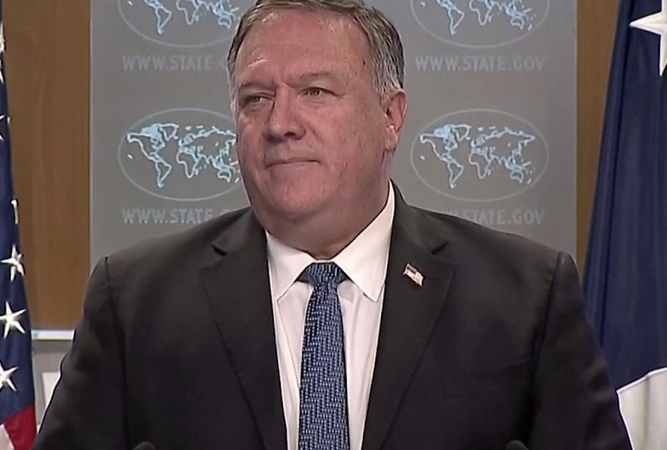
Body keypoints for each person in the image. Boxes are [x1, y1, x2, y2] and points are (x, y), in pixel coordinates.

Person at [34, 1, 632, 449]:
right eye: (255, 99)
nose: (280, 124)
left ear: (391, 117)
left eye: (315, 92)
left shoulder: (524, 295)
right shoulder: (136, 301)